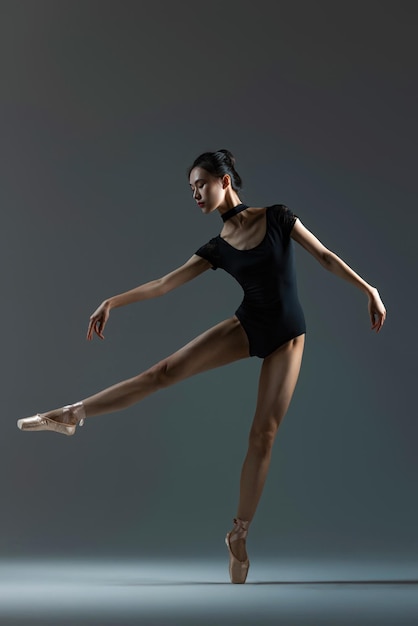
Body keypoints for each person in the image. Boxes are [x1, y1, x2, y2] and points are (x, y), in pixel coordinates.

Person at [17, 149, 386, 583]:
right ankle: (70, 414)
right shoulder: (217, 247)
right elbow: (163, 283)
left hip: (288, 336)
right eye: (191, 189)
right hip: (249, 324)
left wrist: (369, 289)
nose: (195, 194)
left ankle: (238, 536)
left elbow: (323, 255)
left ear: (225, 181)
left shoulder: (279, 216)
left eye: (200, 185)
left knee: (262, 435)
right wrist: (111, 301)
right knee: (162, 372)